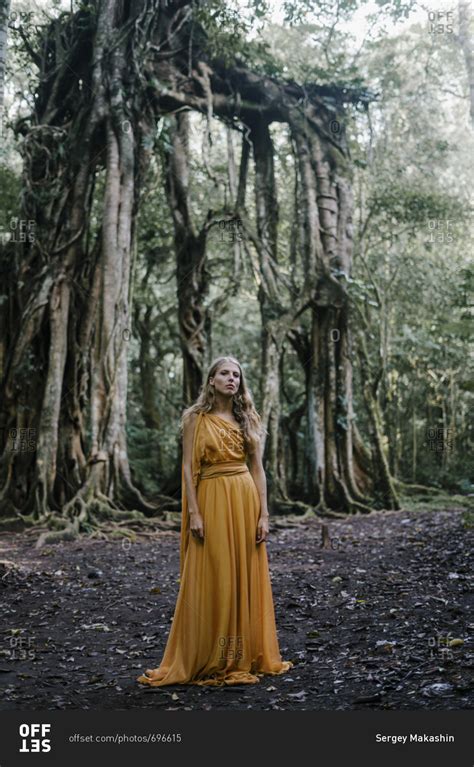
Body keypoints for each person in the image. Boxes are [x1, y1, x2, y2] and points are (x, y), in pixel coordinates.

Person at [136, 355, 293, 686]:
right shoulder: (195, 418)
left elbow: (258, 469)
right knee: (216, 570)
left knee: (244, 573)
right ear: (211, 380)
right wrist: (194, 511)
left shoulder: (247, 418)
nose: (231, 379)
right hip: (211, 497)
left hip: (245, 497)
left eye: (236, 374)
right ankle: (209, 652)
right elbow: (187, 467)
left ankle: (241, 654)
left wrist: (264, 514)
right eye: (224, 373)